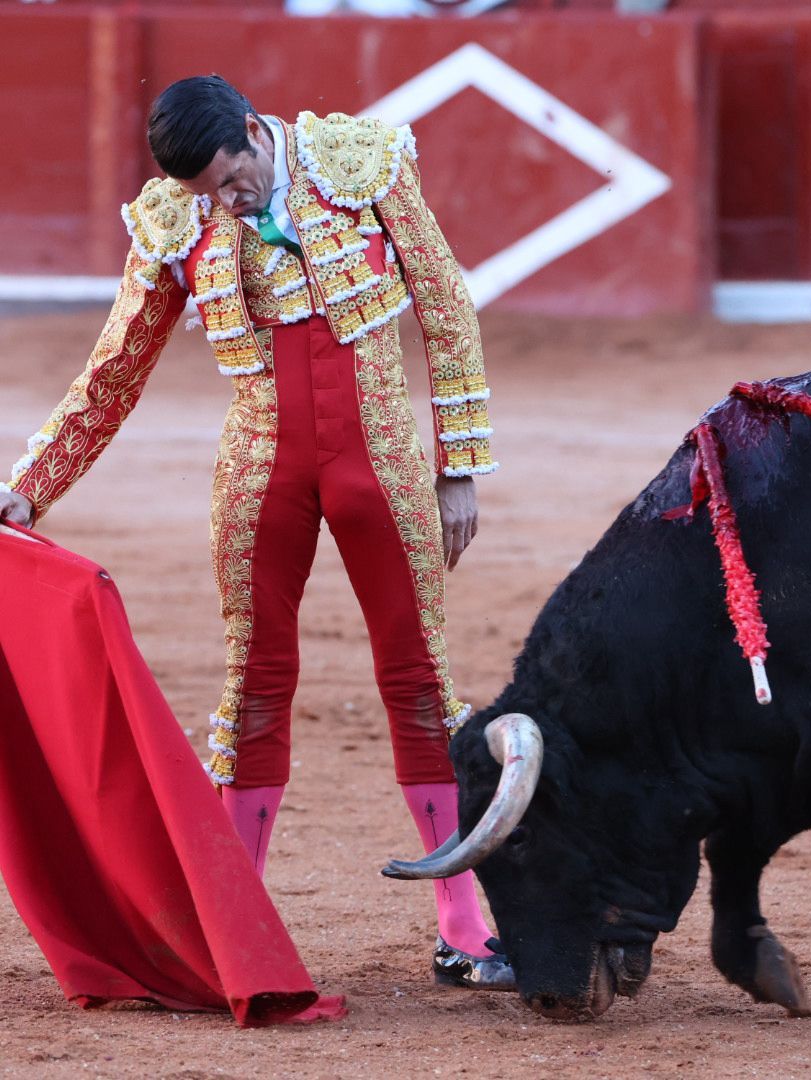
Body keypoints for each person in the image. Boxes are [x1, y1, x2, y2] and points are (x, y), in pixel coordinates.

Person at [0, 75, 511, 991]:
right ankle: (235, 929)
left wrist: (460, 462)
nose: (223, 204)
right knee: (256, 681)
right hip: (260, 463)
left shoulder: (361, 160)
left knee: (419, 674)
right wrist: (31, 489)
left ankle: (464, 927)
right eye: (204, 194)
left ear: (252, 131)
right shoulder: (176, 218)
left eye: (229, 181)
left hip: (383, 452)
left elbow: (446, 302)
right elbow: (113, 370)